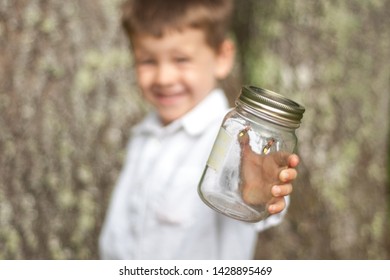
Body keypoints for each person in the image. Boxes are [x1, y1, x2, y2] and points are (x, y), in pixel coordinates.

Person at [99, 0, 300, 260]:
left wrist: (259, 195)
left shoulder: (233, 139)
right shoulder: (143, 134)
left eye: (181, 60)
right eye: (147, 61)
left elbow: (254, 195)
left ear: (222, 57)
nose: (164, 77)